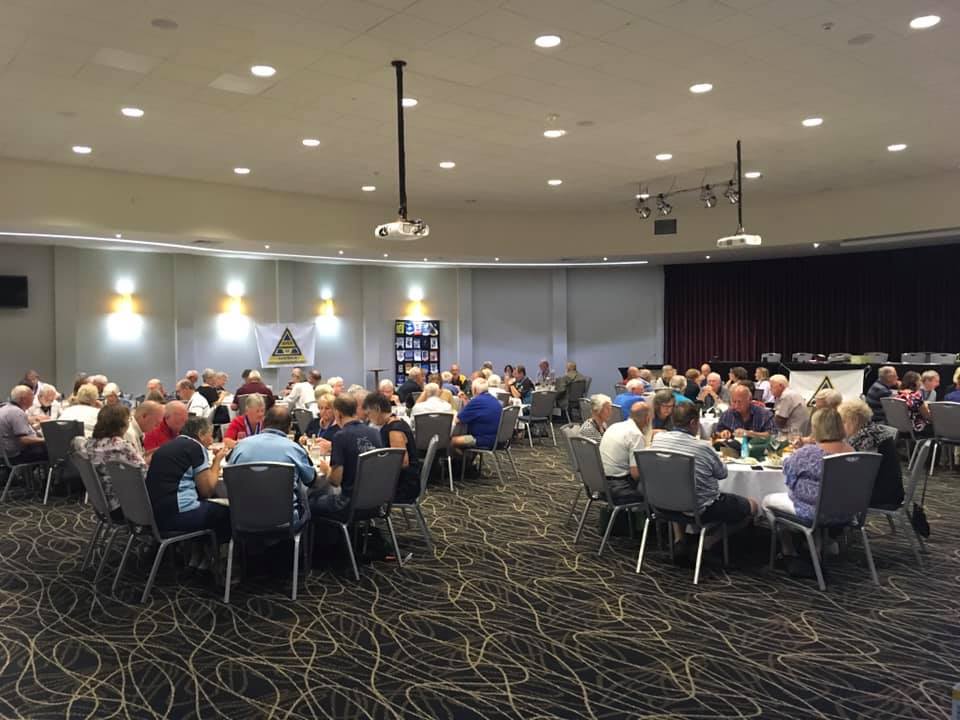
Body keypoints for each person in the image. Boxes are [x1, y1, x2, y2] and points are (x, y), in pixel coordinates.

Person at [651, 403, 758, 547]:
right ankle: (710, 542)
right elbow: (722, 474)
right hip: (701, 508)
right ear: (693, 423)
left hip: (663, 502)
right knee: (752, 506)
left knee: (677, 486)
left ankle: (680, 540)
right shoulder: (702, 447)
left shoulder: (658, 439)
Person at [762, 409, 854, 557]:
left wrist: (799, 453)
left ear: (816, 428)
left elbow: (789, 477)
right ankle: (825, 542)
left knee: (767, 501)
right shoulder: (853, 453)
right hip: (847, 512)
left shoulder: (808, 454)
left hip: (815, 513)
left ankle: (788, 548)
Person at [145, 416, 231, 550]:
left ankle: (196, 555)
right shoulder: (195, 447)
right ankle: (216, 558)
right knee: (228, 512)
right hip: (177, 515)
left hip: (154, 515)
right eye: (210, 435)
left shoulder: (168, 446)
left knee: (208, 504)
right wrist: (217, 461)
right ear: (201, 434)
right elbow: (207, 490)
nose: (211, 440)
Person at [228, 406, 315, 529]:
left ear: (263, 422)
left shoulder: (240, 446)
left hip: (244, 520)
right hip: (285, 521)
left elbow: (229, 478)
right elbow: (311, 480)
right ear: (290, 427)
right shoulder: (294, 449)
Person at [309, 394, 382, 517]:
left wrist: (326, 470)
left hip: (348, 504)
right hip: (375, 502)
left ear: (338, 413)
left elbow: (335, 481)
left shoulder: (341, 436)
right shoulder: (374, 432)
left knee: (308, 502)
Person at [72, 404, 146, 521]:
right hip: (124, 507)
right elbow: (144, 475)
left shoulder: (88, 444)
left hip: (102, 504)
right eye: (128, 419)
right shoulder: (121, 446)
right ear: (122, 425)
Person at [838, 399, 904, 508]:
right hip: (887, 488)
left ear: (854, 420)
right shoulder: (872, 430)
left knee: (830, 490)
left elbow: (861, 473)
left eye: (843, 422)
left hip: (883, 494)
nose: (841, 426)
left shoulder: (867, 438)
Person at [363, 394, 420, 503]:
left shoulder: (394, 430)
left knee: (360, 487)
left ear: (377, 409)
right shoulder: (395, 422)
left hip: (403, 486)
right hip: (401, 480)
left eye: (369, 414)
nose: (368, 418)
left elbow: (402, 463)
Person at [597, 401, 650, 503]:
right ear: (647, 419)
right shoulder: (636, 435)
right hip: (619, 488)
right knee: (656, 490)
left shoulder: (614, 426)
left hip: (601, 483)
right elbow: (635, 474)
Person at [451, 378, 502, 453]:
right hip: (496, 438)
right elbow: (474, 410)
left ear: (474, 390)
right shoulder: (494, 400)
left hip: (482, 439)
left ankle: (460, 459)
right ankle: (465, 458)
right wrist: (465, 401)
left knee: (449, 441)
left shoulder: (477, 401)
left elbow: (457, 420)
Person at [0, 385, 47, 463]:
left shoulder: (4, 408)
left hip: (4, 454)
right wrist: (45, 440)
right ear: (24, 399)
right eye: (31, 395)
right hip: (14, 455)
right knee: (50, 452)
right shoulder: (17, 412)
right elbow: (23, 439)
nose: (34, 398)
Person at [897, 370, 932, 436]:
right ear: (915, 382)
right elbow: (927, 416)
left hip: (900, 428)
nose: (921, 383)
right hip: (916, 428)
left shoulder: (898, 394)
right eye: (920, 380)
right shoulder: (916, 395)